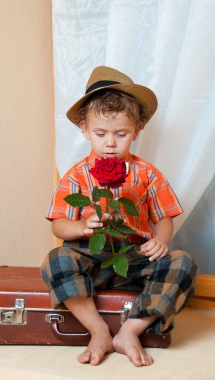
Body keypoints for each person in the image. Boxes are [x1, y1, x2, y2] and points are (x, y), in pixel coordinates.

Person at [41, 66, 197, 367]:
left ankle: (130, 329)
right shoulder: (76, 176)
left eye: (121, 134)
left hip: (133, 256)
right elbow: (59, 223)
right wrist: (81, 227)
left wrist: (161, 242)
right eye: (100, 134)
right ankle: (97, 329)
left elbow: (164, 217)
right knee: (57, 258)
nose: (110, 143)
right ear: (85, 130)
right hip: (90, 257)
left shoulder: (146, 173)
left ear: (137, 131)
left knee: (183, 262)